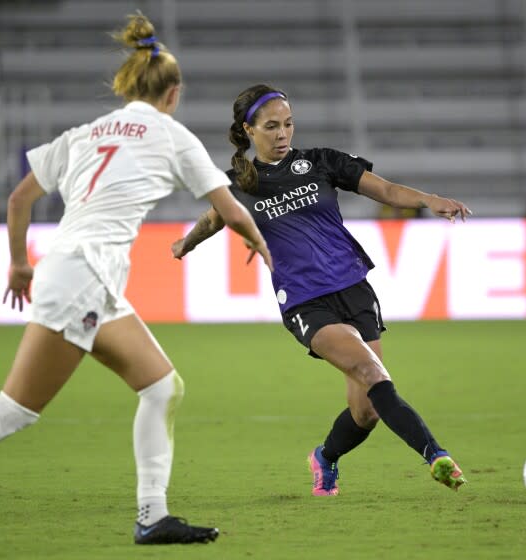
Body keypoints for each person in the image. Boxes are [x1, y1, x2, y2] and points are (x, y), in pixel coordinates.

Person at [0, 14, 271, 545]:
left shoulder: (89, 132)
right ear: (173, 93)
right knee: (17, 408)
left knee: (161, 386)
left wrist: (18, 263)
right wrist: (264, 247)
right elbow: (232, 210)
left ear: (129, 83)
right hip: (83, 275)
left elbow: (20, 198)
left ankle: (152, 516)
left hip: (84, 276)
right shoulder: (174, 138)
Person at [172, 84, 470, 497]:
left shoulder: (322, 162)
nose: (283, 134)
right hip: (305, 301)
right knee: (372, 374)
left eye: (289, 124)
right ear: (248, 130)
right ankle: (435, 455)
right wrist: (185, 243)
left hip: (355, 290)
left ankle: (325, 458)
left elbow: (383, 190)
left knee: (366, 410)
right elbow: (212, 219)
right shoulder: (239, 183)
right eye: (272, 126)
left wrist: (430, 200)